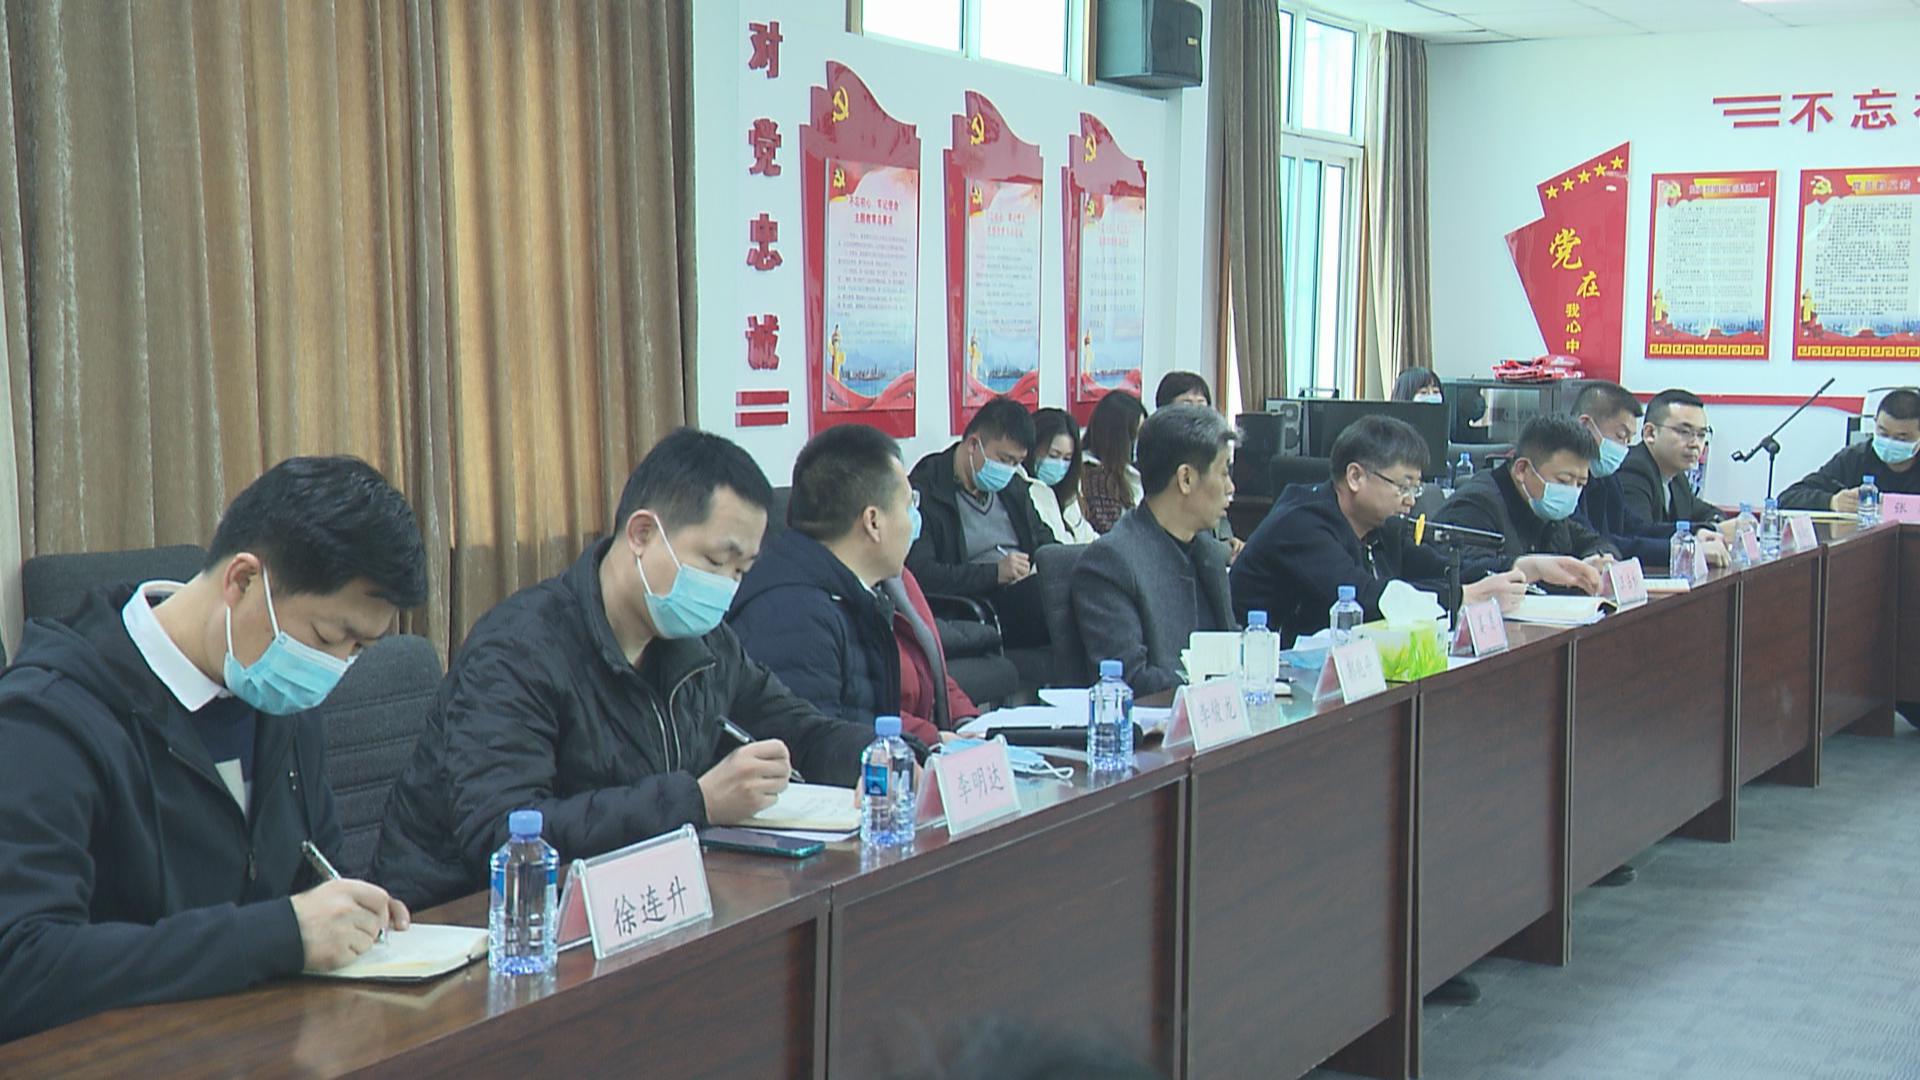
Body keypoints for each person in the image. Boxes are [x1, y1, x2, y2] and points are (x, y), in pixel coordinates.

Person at [0, 457, 427, 1041]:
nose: (332, 667)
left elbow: (311, 877)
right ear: (243, 581)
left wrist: (349, 916)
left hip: (259, 1040)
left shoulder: (279, 700)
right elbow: (20, 965)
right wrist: (280, 935)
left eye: (358, 650)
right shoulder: (49, 718)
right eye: (328, 636)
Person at [373, 429, 876, 910]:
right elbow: (503, 832)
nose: (726, 586)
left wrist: (880, 759)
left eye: (741, 571)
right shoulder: (518, 649)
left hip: (627, 902)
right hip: (467, 919)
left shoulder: (704, 642)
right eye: (715, 561)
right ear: (642, 533)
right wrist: (695, 801)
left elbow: (797, 727)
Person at [730, 424, 977, 747]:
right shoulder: (795, 615)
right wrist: (924, 748)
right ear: (873, 522)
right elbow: (813, 752)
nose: (915, 520)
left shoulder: (860, 591)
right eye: (908, 506)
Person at [1230, 415, 1537, 645]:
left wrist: (1517, 566)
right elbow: (1363, 595)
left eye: (1415, 488)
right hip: (1266, 670)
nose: (1410, 500)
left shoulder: (1382, 527)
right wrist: (1463, 597)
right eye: (1403, 486)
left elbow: (1439, 567)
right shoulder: (1301, 524)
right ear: (1355, 477)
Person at [1071, 405, 1238, 696]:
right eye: (1223, 473)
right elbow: (1130, 680)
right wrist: (1214, 688)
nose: (1231, 487)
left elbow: (1230, 650)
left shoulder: (1209, 553)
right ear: (1186, 479)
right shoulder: (1112, 562)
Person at [906, 396, 1058, 649]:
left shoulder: (1014, 488)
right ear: (973, 445)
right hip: (980, 604)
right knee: (1046, 596)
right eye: (1004, 460)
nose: (1009, 470)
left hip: (1026, 587)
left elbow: (1044, 539)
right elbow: (922, 573)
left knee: (1073, 582)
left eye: (1017, 463)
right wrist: (995, 573)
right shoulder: (927, 491)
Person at [1436, 415, 1619, 585]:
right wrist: (1529, 568)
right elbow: (1462, 569)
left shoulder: (1546, 509)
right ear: (1522, 470)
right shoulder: (1476, 504)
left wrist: (1598, 560)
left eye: (1580, 484)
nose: (1571, 491)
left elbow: (1593, 541)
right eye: (1563, 480)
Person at [1569, 381, 1728, 569]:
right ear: (1585, 425)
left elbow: (1636, 528)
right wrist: (1683, 551)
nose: (1624, 448)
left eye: (1629, 439)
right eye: (1620, 436)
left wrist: (1696, 533)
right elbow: (1605, 542)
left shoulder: (1606, 476)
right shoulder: (1564, 481)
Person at [1779, 387, 1920, 511]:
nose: (1889, 443)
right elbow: (1788, 498)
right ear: (1875, 422)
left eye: (1901, 438)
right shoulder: (1855, 458)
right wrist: (1832, 502)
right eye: (1883, 433)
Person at [1618, 389, 1726, 528]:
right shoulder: (1633, 470)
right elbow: (1641, 532)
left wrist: (1718, 523)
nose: (1695, 444)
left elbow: (1707, 512)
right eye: (1684, 432)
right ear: (1650, 433)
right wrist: (1709, 530)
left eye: (1701, 435)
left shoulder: (1677, 478)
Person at [1024, 408, 1098, 545]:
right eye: (1053, 455)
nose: (1060, 464)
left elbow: (1089, 537)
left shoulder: (1069, 495)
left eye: (1067, 458)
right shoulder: (1021, 492)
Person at [1080, 390, 1148, 534]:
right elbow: (1110, 531)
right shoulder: (1095, 476)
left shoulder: (1123, 469)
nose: (1138, 442)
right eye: (1134, 436)